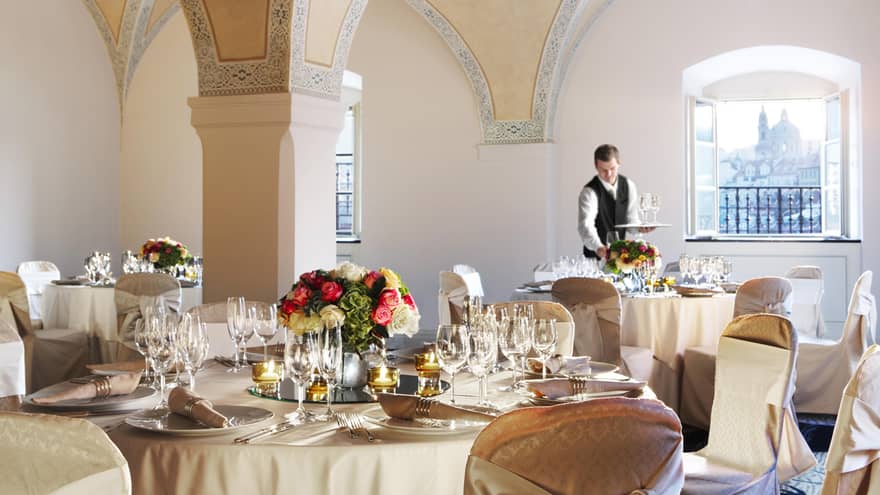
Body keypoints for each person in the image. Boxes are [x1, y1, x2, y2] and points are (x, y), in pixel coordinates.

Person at [578, 144, 652, 259]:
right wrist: (598, 247)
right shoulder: (589, 192)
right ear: (596, 166)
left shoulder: (629, 185)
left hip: (621, 257)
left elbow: (631, 220)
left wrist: (639, 228)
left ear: (618, 163)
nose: (608, 174)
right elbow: (586, 225)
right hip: (595, 258)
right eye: (603, 170)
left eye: (612, 168)